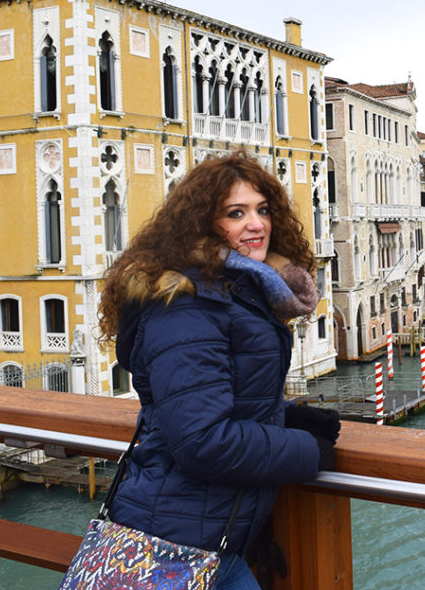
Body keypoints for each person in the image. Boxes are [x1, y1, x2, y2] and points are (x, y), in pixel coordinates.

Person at [98, 151, 340, 590]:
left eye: (262, 210)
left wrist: (280, 416)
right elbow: (202, 440)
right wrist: (307, 452)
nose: (257, 224)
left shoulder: (233, 292)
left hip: (211, 540)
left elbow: (212, 394)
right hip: (173, 546)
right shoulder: (187, 305)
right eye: (236, 213)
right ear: (205, 224)